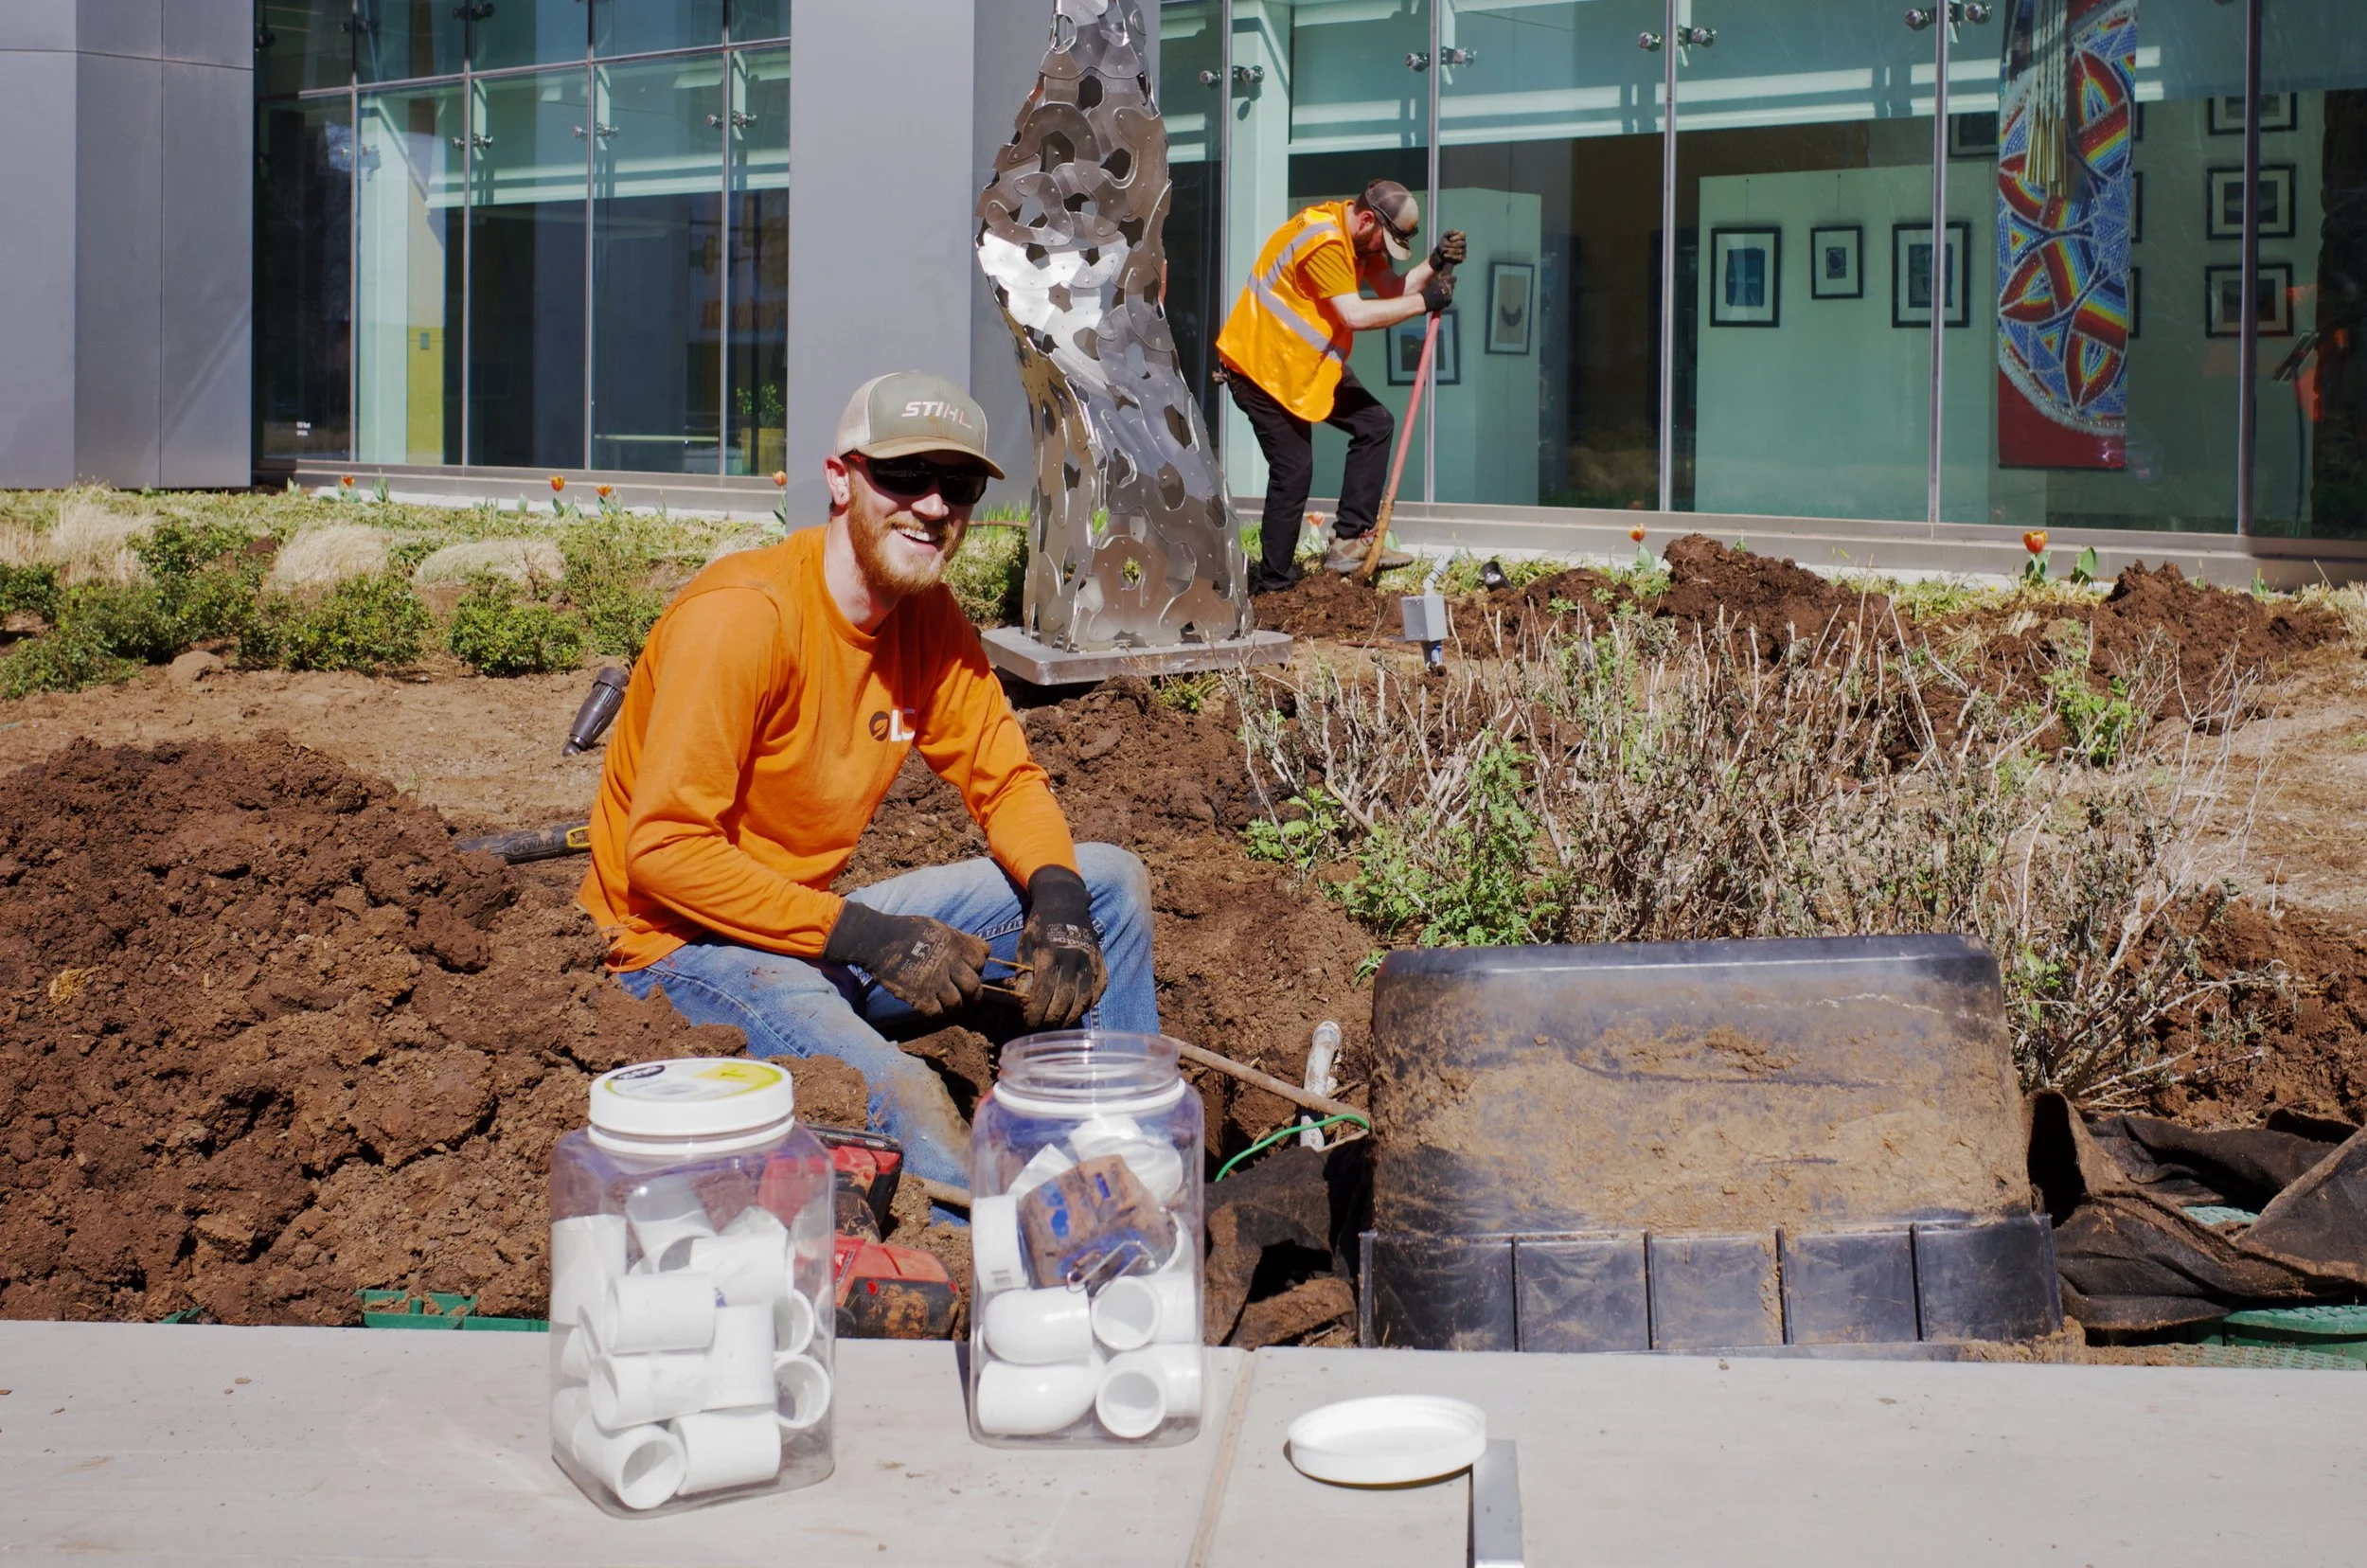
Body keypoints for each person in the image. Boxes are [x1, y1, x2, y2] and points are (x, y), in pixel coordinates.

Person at [578, 370, 1159, 1193]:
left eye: (954, 486)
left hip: (805, 932)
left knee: (1107, 885)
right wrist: (872, 939)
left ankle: (1115, 1163)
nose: (930, 505)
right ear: (839, 479)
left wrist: (1060, 906)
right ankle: (982, 1264)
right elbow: (664, 855)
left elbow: (1008, 782)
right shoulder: (744, 619)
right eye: (901, 476)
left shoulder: (927, 621)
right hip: (673, 955)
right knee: (899, 1091)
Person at [1217, 178, 1466, 591]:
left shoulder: (1360, 239)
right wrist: (1426, 303)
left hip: (1303, 365)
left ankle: (1349, 541)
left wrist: (1434, 262)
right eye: (1384, 244)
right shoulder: (1326, 243)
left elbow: (1392, 289)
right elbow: (1355, 316)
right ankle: (1273, 584)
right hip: (1260, 368)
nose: (1383, 255)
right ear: (1368, 220)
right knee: (1293, 470)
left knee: (1374, 424)